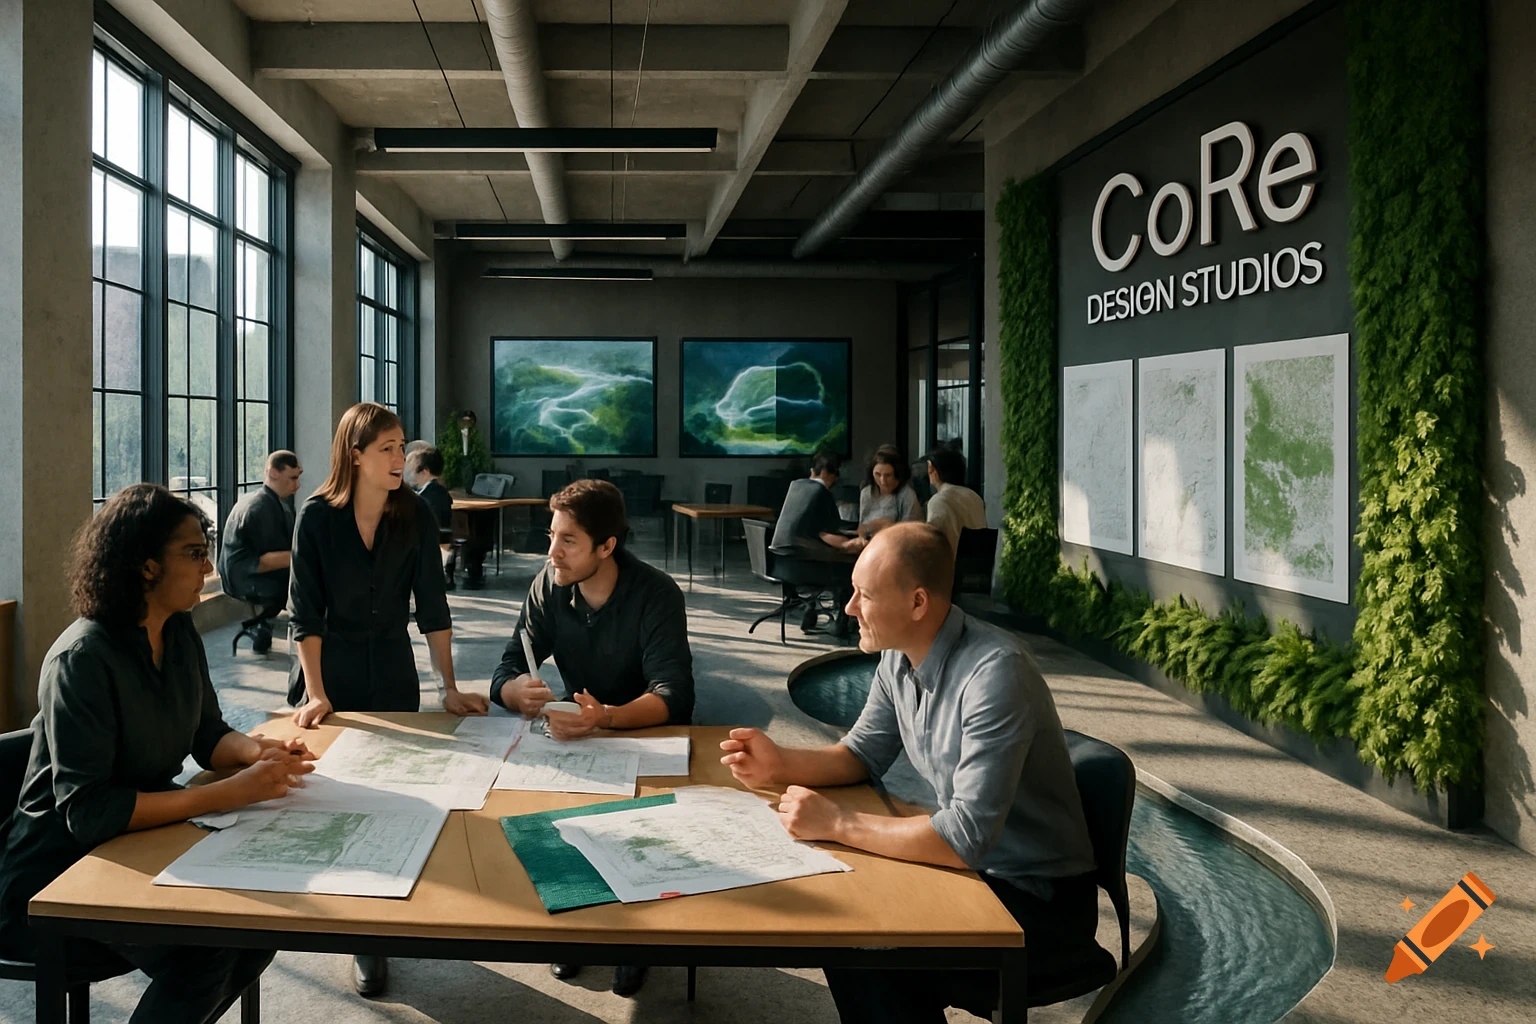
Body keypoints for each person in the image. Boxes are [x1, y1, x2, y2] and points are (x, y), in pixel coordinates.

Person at [720, 523, 1113, 1022]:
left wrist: (838, 823)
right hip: (980, 873)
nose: (848, 608)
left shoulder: (996, 673)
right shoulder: (897, 656)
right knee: (844, 930)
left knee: (871, 952)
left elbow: (964, 837)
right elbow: (860, 754)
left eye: (864, 595)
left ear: (918, 603)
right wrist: (780, 762)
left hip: (1039, 903)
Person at [0, 484, 315, 1024]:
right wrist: (221, 795)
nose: (207, 565)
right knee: (207, 948)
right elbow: (90, 811)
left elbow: (207, 731)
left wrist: (255, 749)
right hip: (55, 879)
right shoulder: (83, 659)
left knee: (258, 931)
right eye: (193, 553)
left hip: (138, 845)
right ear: (146, 567)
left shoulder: (178, 629)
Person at [288, 402, 488, 998]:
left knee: (401, 796)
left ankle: (388, 920)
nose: (402, 458)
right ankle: (362, 939)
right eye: (388, 449)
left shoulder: (416, 515)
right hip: (332, 675)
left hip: (394, 674)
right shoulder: (316, 519)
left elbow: (433, 605)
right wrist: (317, 693)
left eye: (403, 447)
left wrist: (448, 686)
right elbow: (305, 614)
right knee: (343, 803)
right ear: (355, 455)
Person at [491, 478, 693, 997]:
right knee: (558, 824)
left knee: (634, 838)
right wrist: (518, 691)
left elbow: (674, 696)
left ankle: (633, 942)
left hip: (642, 733)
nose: (552, 553)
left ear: (607, 546)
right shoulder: (549, 584)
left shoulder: (655, 594)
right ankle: (577, 933)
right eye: (551, 536)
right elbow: (507, 670)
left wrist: (607, 717)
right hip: (576, 731)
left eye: (568, 541)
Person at [770, 450, 863, 634]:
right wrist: (853, 540)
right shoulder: (821, 491)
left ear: (813, 469)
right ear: (829, 473)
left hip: (781, 564)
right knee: (849, 566)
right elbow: (830, 531)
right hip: (804, 566)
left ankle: (811, 607)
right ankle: (842, 621)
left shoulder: (796, 486)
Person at [218, 451, 303, 652]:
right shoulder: (262, 508)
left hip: (243, 573)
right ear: (273, 473)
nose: (297, 485)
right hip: (245, 578)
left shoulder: (271, 503)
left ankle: (262, 625)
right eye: (293, 478)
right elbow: (267, 560)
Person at [407, 446, 457, 591]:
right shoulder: (439, 492)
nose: (411, 476)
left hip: (432, 547)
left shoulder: (429, 497)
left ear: (425, 471)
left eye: (414, 471)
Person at [925, 446, 987, 557]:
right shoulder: (974, 497)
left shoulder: (939, 501)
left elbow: (933, 542)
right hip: (979, 566)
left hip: (949, 568)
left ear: (932, 469)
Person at [857, 445, 924, 537]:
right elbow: (861, 527)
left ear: (897, 474)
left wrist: (888, 525)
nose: (882, 481)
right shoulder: (867, 493)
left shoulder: (907, 495)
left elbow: (912, 532)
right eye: (877, 474)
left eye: (888, 475)